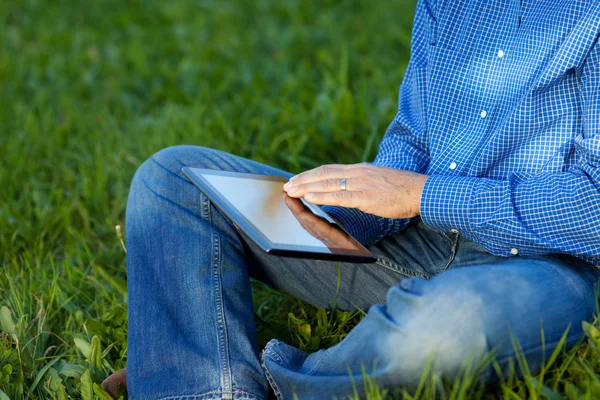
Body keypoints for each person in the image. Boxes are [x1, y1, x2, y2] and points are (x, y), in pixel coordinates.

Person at [102, 0, 600, 399]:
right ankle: (210, 390)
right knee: (174, 179)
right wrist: (347, 217)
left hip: (550, 262)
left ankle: (252, 376)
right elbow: (416, 138)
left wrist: (422, 196)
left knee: (449, 328)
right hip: (420, 236)